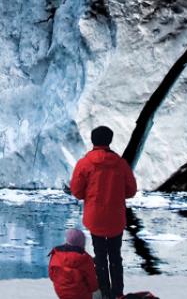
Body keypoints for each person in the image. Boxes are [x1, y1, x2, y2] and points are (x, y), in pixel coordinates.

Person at [69, 126, 137, 299]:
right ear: (110, 140)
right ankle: (118, 293)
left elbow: (76, 191)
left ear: (93, 140)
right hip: (115, 218)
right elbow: (131, 190)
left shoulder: (85, 163)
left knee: (100, 256)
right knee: (115, 256)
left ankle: (105, 293)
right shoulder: (120, 164)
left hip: (95, 218)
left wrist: (90, 194)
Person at [48, 228, 98, 299]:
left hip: (61, 293)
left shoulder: (56, 254)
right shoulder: (86, 259)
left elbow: (51, 275)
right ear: (82, 244)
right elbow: (93, 284)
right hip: (82, 296)